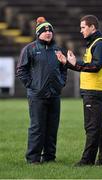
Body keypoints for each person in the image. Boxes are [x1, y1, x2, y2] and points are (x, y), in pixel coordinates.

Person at [56, 15, 102, 166]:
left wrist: (76, 63)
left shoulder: (99, 44)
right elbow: (87, 67)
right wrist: (67, 63)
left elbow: (95, 66)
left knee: (92, 127)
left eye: (83, 27)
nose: (80, 31)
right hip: (93, 91)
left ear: (92, 27)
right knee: (99, 127)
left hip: (94, 91)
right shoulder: (94, 43)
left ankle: (87, 161)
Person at [16, 17, 67, 164]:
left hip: (54, 95)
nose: (48, 33)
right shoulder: (30, 49)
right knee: (37, 128)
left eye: (50, 30)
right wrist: (32, 85)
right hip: (37, 95)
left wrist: (61, 83)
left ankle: (50, 157)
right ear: (38, 33)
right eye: (45, 31)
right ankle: (33, 158)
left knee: (52, 128)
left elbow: (64, 68)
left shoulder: (57, 49)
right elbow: (21, 70)